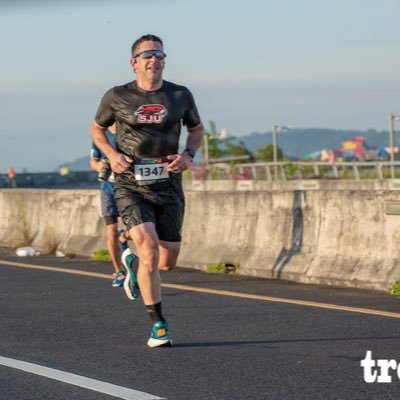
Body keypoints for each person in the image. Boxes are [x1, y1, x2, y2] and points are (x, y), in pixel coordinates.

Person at [90, 34, 204, 348]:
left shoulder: (180, 95)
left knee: (166, 262)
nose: (155, 60)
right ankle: (158, 325)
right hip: (130, 183)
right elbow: (97, 128)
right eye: (148, 55)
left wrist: (188, 156)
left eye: (160, 55)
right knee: (150, 250)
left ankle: (131, 262)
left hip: (168, 183)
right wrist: (111, 155)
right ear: (134, 62)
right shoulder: (117, 96)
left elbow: (196, 129)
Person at [89, 123, 138, 298]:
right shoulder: (100, 136)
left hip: (129, 189)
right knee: (111, 231)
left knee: (136, 230)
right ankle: (118, 271)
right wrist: (99, 167)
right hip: (107, 189)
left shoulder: (130, 133)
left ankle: (124, 237)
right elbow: (93, 161)